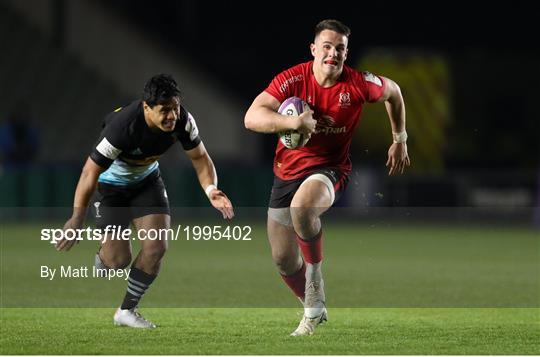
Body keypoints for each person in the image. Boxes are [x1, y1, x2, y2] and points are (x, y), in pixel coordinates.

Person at [244, 19, 410, 336]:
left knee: (302, 210)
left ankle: (315, 281)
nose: (333, 54)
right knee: (282, 259)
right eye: (327, 47)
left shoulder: (359, 83)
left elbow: (395, 93)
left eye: (340, 49)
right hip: (286, 173)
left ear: (346, 54)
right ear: (314, 49)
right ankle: (314, 308)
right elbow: (252, 117)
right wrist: (290, 124)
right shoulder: (292, 79)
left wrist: (400, 138)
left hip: (329, 169)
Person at [56, 74, 234, 328]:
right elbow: (89, 172)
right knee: (118, 260)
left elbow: (200, 157)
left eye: (175, 107)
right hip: (111, 189)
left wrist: (211, 189)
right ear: (146, 107)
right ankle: (104, 257)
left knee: (156, 247)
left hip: (146, 183)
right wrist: (77, 217)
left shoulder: (182, 120)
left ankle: (126, 311)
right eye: (165, 110)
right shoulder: (123, 127)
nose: (172, 115)